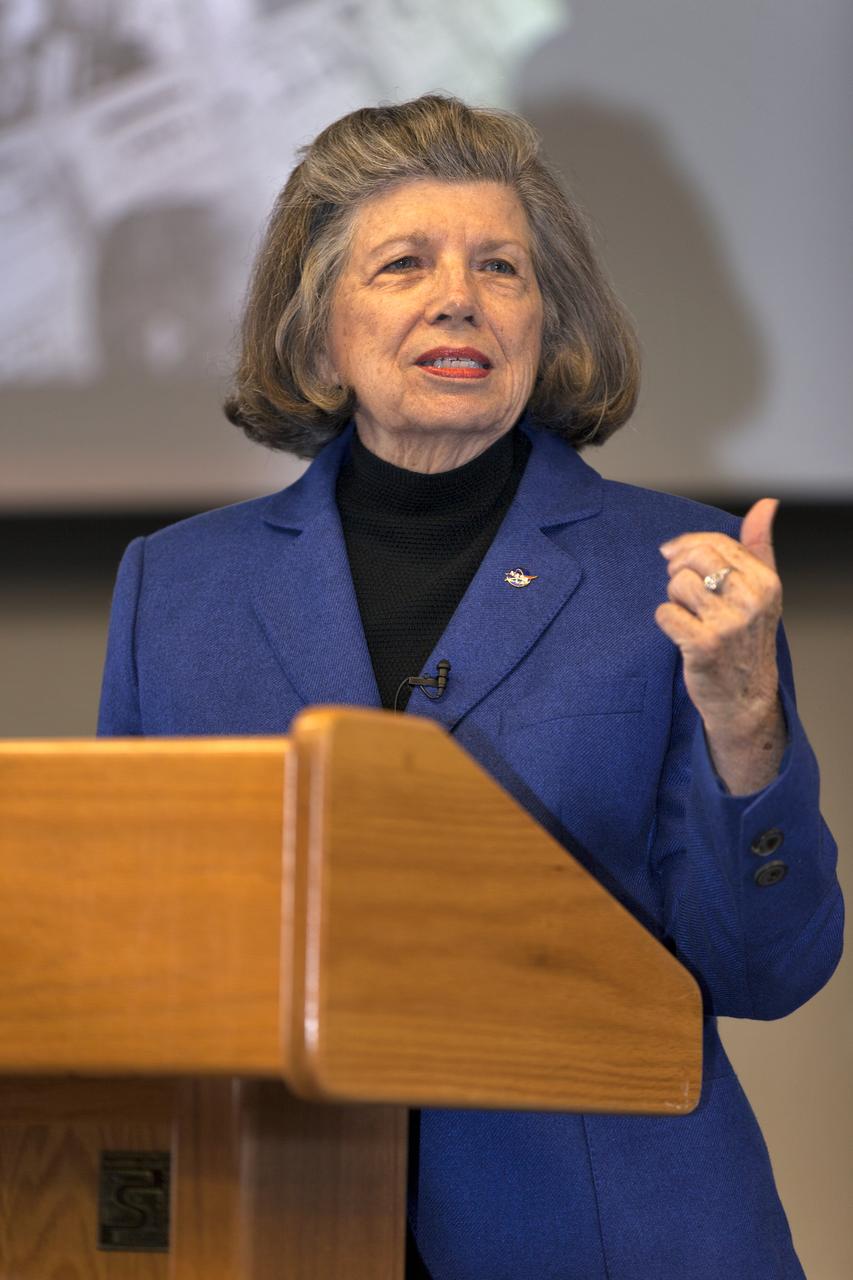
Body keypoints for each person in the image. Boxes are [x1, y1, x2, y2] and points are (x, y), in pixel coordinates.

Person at [98, 95, 843, 1279]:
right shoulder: (177, 587)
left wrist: (746, 717)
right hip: (275, 1224)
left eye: (500, 266)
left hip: (606, 1239)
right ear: (314, 330)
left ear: (547, 321)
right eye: (404, 264)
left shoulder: (680, 577)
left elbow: (764, 972)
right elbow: (122, 966)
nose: (459, 296)